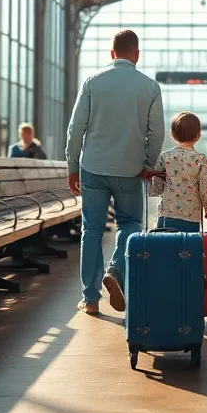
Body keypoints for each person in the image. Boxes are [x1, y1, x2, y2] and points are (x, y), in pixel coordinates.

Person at [65, 29, 165, 315]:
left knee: (92, 230)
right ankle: (116, 270)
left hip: (93, 168)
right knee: (130, 223)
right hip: (130, 170)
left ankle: (91, 299)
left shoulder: (93, 83)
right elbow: (155, 132)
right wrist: (148, 163)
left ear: (112, 54)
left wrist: (72, 165)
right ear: (137, 54)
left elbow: (76, 129)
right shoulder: (150, 86)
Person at [147, 112, 207, 232]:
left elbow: (156, 188)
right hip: (190, 218)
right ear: (198, 136)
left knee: (165, 249)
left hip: (166, 215)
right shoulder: (201, 160)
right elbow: (205, 188)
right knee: (187, 249)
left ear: (173, 135)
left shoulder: (165, 157)